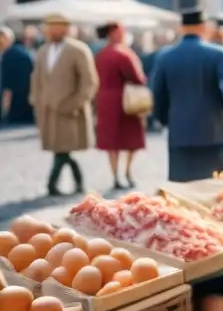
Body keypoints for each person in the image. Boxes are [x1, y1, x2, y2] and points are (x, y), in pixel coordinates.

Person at [151, 8, 223, 182]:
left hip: (179, 131)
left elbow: (157, 94)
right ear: (203, 27)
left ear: (182, 28)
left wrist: (163, 119)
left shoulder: (166, 56)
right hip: (213, 132)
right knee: (214, 188)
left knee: (182, 188)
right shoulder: (218, 54)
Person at [29, 13, 99, 196]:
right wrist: (37, 101)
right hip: (48, 110)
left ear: (65, 29)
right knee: (59, 149)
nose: (50, 32)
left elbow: (89, 82)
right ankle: (77, 183)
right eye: (48, 28)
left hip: (70, 110)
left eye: (54, 27)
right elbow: (37, 79)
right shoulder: (43, 51)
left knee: (62, 150)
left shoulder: (78, 50)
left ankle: (52, 185)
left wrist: (76, 103)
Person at [94, 22, 147, 189]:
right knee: (131, 140)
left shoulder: (100, 54)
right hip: (126, 101)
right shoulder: (124, 54)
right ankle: (127, 172)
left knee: (112, 143)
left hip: (104, 99)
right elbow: (138, 78)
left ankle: (115, 175)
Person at [0, 25, 34, 125]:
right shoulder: (12, 53)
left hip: (17, 110)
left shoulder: (15, 55)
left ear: (9, 39)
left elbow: (8, 88)